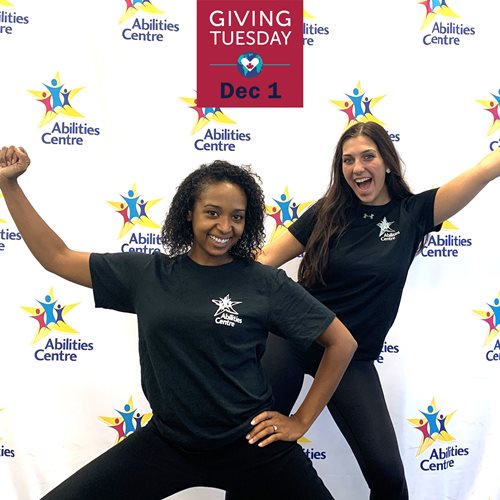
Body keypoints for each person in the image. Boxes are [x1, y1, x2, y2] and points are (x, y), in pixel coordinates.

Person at [0, 146, 357, 500]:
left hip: (250, 444)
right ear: (189, 213)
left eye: (237, 216)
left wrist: (301, 420)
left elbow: (342, 343)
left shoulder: (263, 282)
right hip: (170, 443)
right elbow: (56, 257)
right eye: (212, 213)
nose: (225, 226)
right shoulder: (147, 275)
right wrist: (9, 186)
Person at [226, 121, 500, 500]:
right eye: (348, 160)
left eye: (367, 156)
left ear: (386, 161)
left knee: (388, 475)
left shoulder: (414, 213)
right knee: (256, 445)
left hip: (351, 355)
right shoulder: (327, 211)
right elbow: (266, 261)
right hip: (293, 337)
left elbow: (485, 170)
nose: (357, 167)